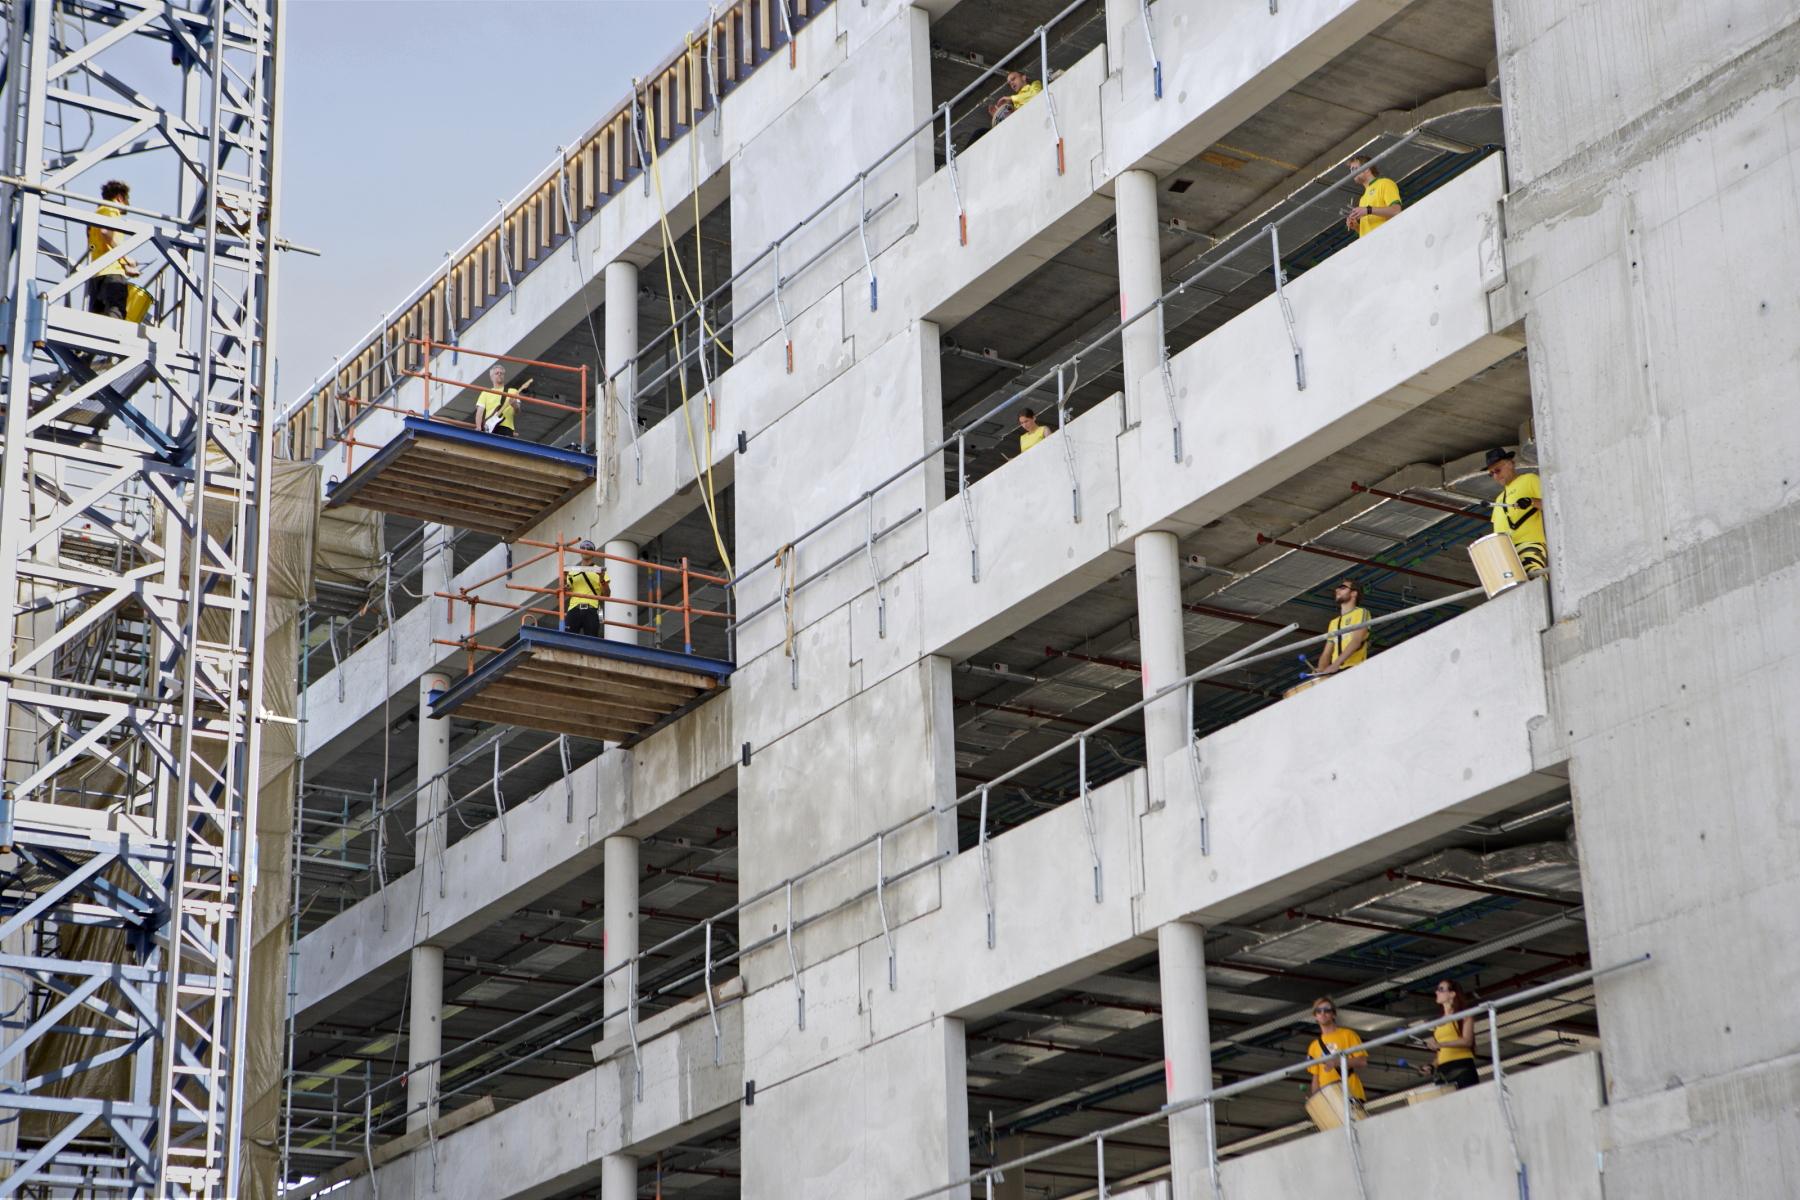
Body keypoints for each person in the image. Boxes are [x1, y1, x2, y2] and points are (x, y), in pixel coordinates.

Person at [1485, 447, 1547, 578]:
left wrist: (1531, 501)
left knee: (1535, 581)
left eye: (1497, 470)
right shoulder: (1498, 500)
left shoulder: (1529, 479)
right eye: (1491, 474)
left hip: (1529, 544)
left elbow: (1552, 505)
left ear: (1510, 463)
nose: (1495, 476)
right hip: (1507, 553)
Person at [1305, 997, 1369, 1112]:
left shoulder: (1348, 1034)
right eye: (1318, 1011)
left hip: (1351, 1092)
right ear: (1315, 1016)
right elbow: (1316, 1078)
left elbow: (1362, 1061)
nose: (1322, 1013)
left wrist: (1337, 1062)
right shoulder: (1313, 1046)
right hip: (1328, 1099)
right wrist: (1316, 1100)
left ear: (1333, 1014)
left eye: (1326, 1010)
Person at [86, 180, 139, 318]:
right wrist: (126, 259)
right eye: (126, 200)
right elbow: (105, 232)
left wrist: (124, 264)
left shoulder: (96, 214)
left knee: (96, 320)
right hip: (112, 274)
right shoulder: (111, 210)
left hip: (96, 276)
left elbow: (97, 243)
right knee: (115, 314)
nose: (127, 204)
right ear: (120, 198)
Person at [1423, 979, 1480, 1090]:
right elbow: (1441, 1053)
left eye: (1441, 989)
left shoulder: (1464, 1015)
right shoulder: (1438, 1022)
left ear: (1452, 994)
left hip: (1461, 1066)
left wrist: (1441, 1044)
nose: (1436, 992)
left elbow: (1467, 1041)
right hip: (1443, 1070)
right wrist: (1432, 1066)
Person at [1313, 578, 1371, 675]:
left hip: (1354, 668)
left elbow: (1356, 641)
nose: (1337, 590)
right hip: (1337, 671)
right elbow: (1327, 652)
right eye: (1337, 588)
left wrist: (1335, 664)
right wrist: (1321, 669)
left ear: (1354, 593)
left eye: (1342, 588)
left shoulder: (1361, 612)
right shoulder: (1333, 622)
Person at [1344, 155, 1401, 238]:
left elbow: (1396, 211)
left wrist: (1368, 210)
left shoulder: (1385, 183)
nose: (1352, 173)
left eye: (1354, 169)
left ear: (1367, 168)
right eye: (1351, 170)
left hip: (1387, 238)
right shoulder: (1362, 199)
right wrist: (1356, 226)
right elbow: (1368, 231)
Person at [563, 540, 609, 638]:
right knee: (567, 639)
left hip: (592, 609)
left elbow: (607, 595)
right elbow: (566, 590)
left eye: (589, 548)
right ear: (580, 551)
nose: (585, 550)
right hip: (573, 608)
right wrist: (564, 577)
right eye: (583, 547)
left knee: (592, 640)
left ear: (594, 553)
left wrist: (601, 578)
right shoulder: (572, 571)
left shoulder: (600, 570)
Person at [476, 364, 520, 437]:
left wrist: (514, 405)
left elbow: (517, 411)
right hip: (489, 427)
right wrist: (478, 427)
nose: (499, 374)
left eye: (501, 373)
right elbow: (479, 412)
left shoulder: (513, 391)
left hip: (506, 428)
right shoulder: (485, 393)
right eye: (497, 373)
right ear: (491, 377)